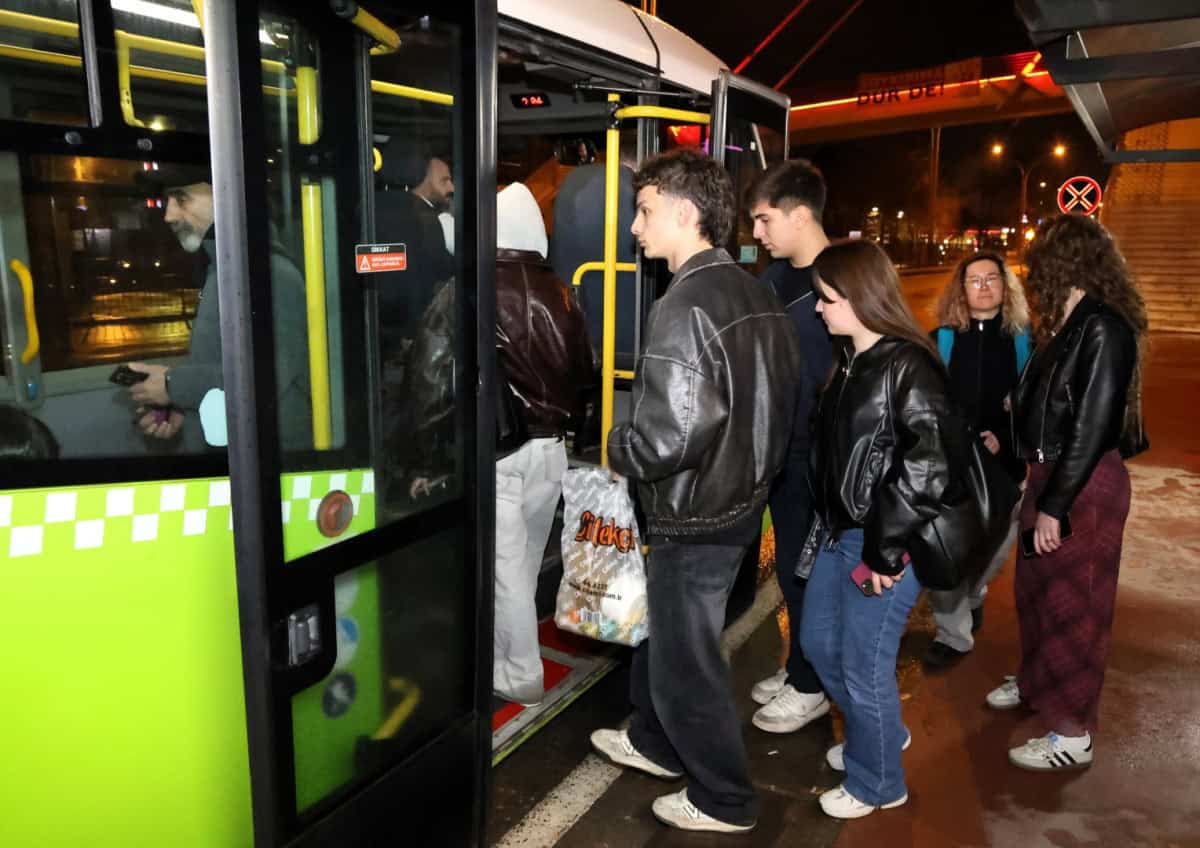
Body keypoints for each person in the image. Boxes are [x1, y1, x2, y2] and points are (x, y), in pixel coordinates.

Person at [590, 149, 801, 834]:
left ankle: (725, 798)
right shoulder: (755, 291)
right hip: (738, 502)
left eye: (645, 211)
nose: (635, 227)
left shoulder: (683, 302)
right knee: (670, 637)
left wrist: (617, 447)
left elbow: (668, 437)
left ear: (685, 213)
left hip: (695, 511)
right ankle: (654, 742)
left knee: (689, 665)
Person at [799, 239, 954, 819]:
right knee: (819, 643)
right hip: (840, 533)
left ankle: (879, 782)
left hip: (883, 544)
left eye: (827, 298)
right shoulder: (849, 361)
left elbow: (930, 467)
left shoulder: (907, 366)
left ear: (861, 297)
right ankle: (878, 736)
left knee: (864, 665)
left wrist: (886, 554)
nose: (819, 309)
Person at [990, 214, 1145, 772]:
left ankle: (1073, 732)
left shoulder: (1103, 326)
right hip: (1051, 476)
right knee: (1036, 593)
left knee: (1075, 606)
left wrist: (1055, 505)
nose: (1031, 273)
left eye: (1039, 262)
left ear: (1063, 263)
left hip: (1080, 485)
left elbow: (1093, 426)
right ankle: (1038, 683)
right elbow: (1057, 399)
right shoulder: (1072, 321)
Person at [491, 182, 595, 705]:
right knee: (526, 562)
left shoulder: (477, 287)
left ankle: (520, 673)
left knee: (504, 569)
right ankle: (505, 652)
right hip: (552, 449)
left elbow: (435, 369)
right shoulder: (565, 294)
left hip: (500, 452)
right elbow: (585, 374)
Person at [744, 159, 834, 734]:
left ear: (800, 216)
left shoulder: (843, 278)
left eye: (765, 219)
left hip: (820, 458)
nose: (757, 233)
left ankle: (812, 685)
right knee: (791, 570)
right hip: (780, 450)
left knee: (812, 573)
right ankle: (800, 664)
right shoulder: (775, 279)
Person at [125, 179, 312, 449]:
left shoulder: (270, 273)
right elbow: (223, 367)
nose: (168, 215)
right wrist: (183, 406)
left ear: (230, 196)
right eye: (168, 201)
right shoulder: (224, 271)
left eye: (181, 198)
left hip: (269, 456)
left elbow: (266, 377)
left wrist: (173, 386)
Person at [923, 252, 1031, 668]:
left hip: (1005, 468)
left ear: (1006, 287)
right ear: (961, 289)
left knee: (996, 548)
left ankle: (974, 592)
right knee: (948, 545)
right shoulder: (941, 340)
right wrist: (963, 440)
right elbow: (927, 405)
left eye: (992, 278)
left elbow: (1038, 406)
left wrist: (1005, 436)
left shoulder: (1025, 342)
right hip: (953, 467)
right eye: (975, 280)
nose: (984, 287)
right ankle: (952, 635)